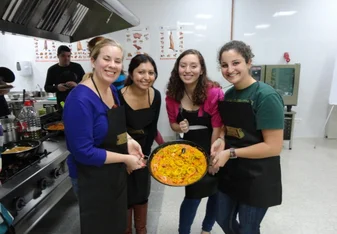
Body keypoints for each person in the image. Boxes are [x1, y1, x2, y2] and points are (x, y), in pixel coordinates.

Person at [63, 38, 145, 234]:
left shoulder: (111, 90)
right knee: (99, 227)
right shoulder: (79, 99)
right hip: (91, 178)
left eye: (117, 61)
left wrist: (130, 141)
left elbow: (115, 128)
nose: (112, 65)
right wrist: (126, 158)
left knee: (115, 223)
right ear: (93, 60)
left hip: (113, 172)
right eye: (106, 59)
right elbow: (83, 152)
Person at [211, 40, 284, 234]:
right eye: (224, 65)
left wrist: (231, 153)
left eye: (236, 63)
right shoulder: (229, 95)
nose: (230, 69)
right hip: (232, 172)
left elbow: (273, 147)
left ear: (249, 63)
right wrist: (221, 139)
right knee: (222, 217)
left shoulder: (265, 96)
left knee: (248, 227)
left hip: (257, 175)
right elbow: (230, 128)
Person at [165, 49, 223, 234]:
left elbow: (218, 127)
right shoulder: (172, 95)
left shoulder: (214, 92)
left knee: (216, 193)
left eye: (193, 65)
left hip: (213, 146)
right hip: (189, 151)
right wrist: (179, 127)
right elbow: (173, 125)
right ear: (177, 69)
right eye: (183, 65)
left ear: (201, 69)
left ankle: (207, 229)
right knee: (192, 196)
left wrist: (213, 158)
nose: (187, 70)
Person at [119, 54, 161, 234]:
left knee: (142, 193)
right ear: (131, 73)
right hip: (123, 150)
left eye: (151, 72)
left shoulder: (155, 95)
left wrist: (144, 156)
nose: (146, 77)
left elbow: (152, 129)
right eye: (141, 72)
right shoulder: (118, 95)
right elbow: (117, 131)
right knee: (126, 195)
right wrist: (127, 158)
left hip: (143, 151)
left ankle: (141, 230)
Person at [44, 45, 85, 109]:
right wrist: (57, 87)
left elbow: (87, 84)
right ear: (58, 56)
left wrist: (76, 85)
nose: (66, 58)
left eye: (68, 56)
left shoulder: (77, 67)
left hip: (79, 101)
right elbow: (47, 87)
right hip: (62, 104)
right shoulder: (52, 70)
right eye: (63, 56)